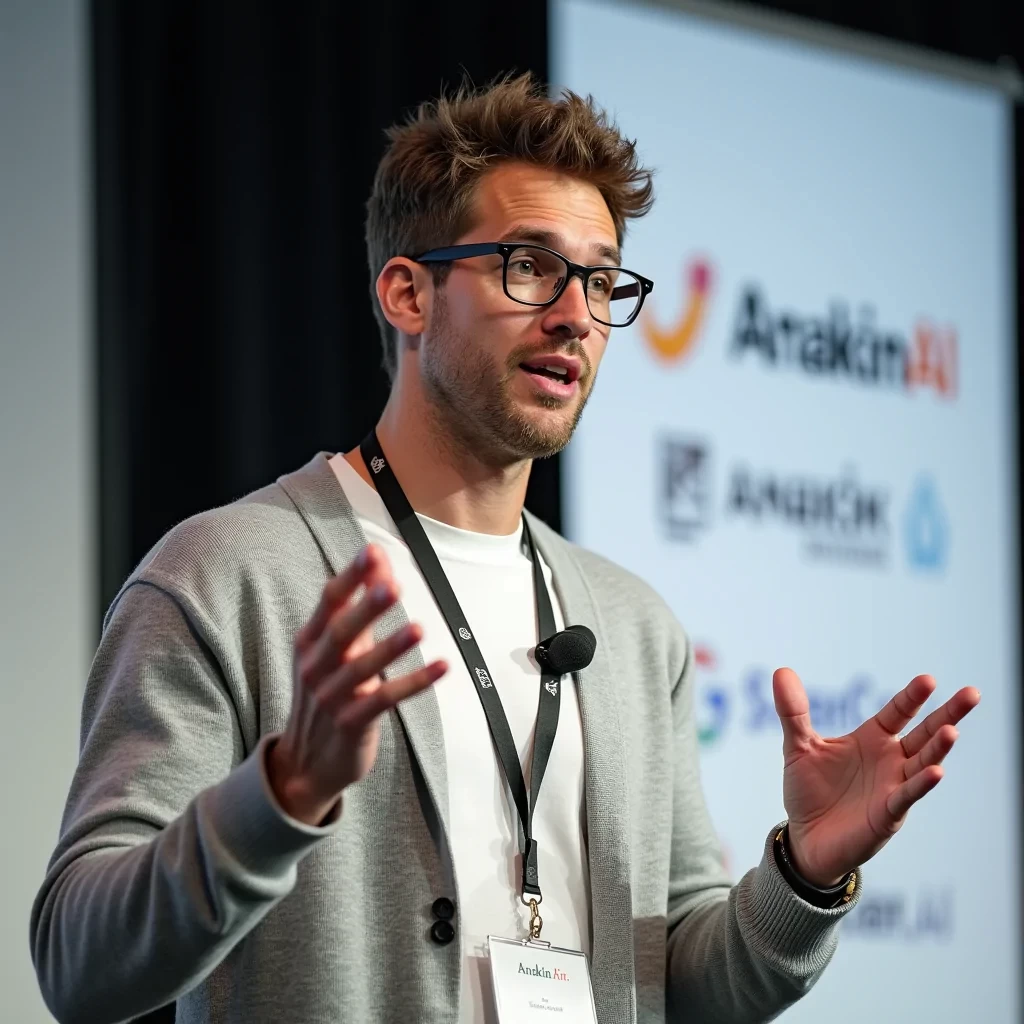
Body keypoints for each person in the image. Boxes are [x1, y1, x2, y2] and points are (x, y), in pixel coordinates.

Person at [30, 74, 979, 1024]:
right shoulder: (228, 575)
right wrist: (278, 796)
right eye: (529, 265)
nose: (575, 314)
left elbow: (685, 985)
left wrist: (803, 873)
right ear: (408, 292)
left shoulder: (633, 626)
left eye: (601, 280)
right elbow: (81, 963)